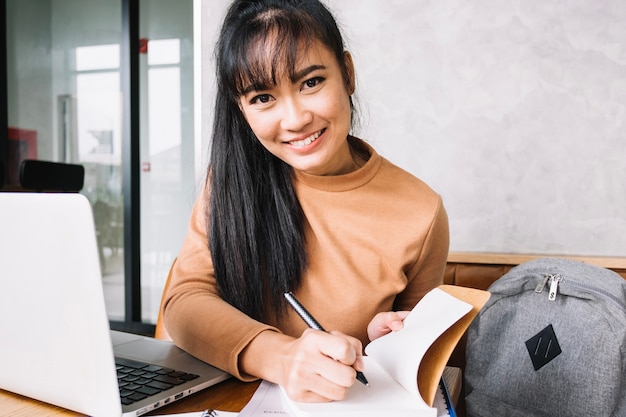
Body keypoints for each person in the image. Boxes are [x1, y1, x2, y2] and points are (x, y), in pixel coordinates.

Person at [162, 0, 449, 403]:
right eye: (263, 97)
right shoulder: (231, 181)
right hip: (223, 405)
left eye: (311, 82)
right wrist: (281, 357)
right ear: (240, 109)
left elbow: (415, 366)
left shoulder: (421, 211)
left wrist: (391, 344)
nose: (295, 119)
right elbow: (185, 302)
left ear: (347, 74)